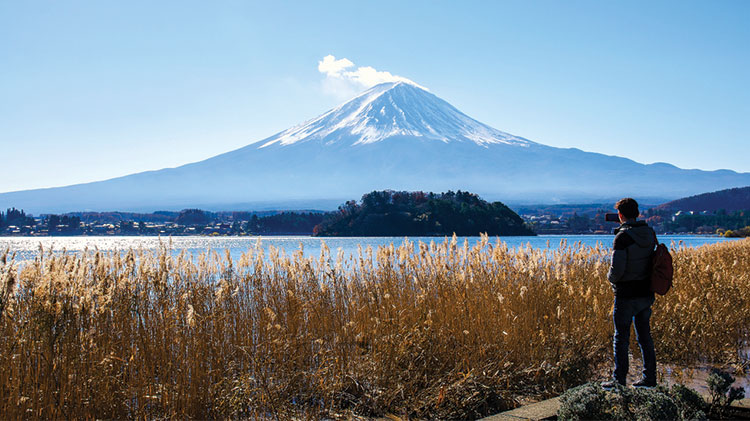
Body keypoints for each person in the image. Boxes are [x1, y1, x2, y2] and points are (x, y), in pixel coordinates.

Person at [602, 198, 657, 389]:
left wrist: (610, 278)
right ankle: (649, 379)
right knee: (644, 337)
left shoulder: (623, 237)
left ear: (620, 215)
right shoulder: (649, 233)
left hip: (626, 295)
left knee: (621, 338)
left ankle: (619, 381)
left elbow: (616, 270)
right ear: (638, 213)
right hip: (646, 293)